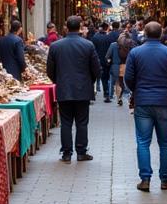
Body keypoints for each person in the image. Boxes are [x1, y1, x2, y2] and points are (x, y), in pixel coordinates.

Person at [123, 20, 167, 192]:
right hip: (164, 101)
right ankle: (165, 179)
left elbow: (128, 78)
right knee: (164, 142)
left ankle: (145, 179)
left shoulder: (135, 53)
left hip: (143, 102)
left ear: (145, 34)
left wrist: (137, 91)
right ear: (161, 34)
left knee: (143, 142)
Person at [45, 15, 100, 162]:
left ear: (66, 27)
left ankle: (67, 153)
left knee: (66, 121)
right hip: (83, 89)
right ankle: (81, 152)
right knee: (82, 122)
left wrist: (59, 81)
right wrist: (90, 81)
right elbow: (96, 69)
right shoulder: (88, 45)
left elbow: (50, 70)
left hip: (64, 89)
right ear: (80, 27)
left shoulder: (56, 46)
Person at [111, 24, 134, 105]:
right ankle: (129, 98)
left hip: (119, 66)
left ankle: (119, 98)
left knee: (119, 83)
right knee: (128, 82)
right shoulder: (131, 43)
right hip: (128, 65)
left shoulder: (115, 45)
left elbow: (109, 56)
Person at [91, 21, 114, 102]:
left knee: (93, 77)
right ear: (106, 28)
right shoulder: (109, 38)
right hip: (106, 60)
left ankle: (92, 94)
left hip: (96, 60)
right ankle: (106, 93)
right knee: (105, 78)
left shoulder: (95, 38)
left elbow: (92, 49)